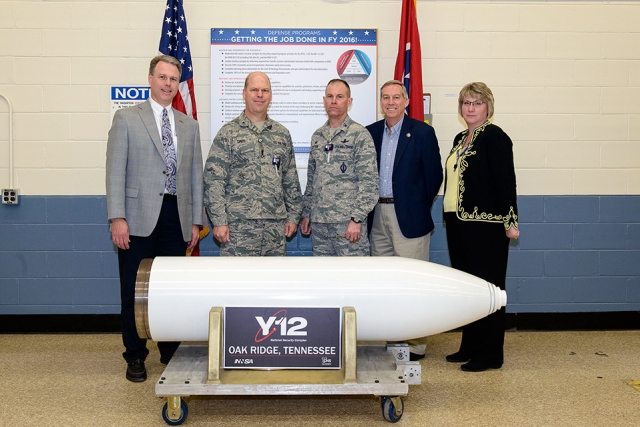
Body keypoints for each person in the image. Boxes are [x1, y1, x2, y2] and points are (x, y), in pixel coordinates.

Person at [106, 55, 203, 382]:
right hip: (136, 218)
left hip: (176, 216)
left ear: (178, 84)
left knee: (170, 289)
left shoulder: (188, 125)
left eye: (173, 79)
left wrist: (195, 221)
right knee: (133, 291)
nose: (167, 84)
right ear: (150, 79)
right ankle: (135, 355)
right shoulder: (127, 119)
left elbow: (195, 176)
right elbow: (114, 171)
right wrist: (117, 217)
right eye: (162, 77)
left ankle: (170, 350)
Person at [443, 82, 520, 372]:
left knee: (488, 289)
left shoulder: (494, 136)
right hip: (457, 222)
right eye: (466, 103)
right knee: (468, 290)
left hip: (485, 225)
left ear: (488, 106)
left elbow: (505, 182)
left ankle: (490, 354)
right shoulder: (460, 137)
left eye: (477, 103)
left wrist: (510, 222)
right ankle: (470, 346)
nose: (470, 108)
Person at [366, 80, 443, 361]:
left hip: (408, 217)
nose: (390, 102)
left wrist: (416, 206)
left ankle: (415, 344)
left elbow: (434, 176)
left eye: (396, 97)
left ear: (406, 101)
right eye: (385, 97)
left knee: (412, 282)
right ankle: (392, 337)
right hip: (377, 216)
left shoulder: (422, 132)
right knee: (384, 282)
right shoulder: (371, 132)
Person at [204, 71, 302, 256]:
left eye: (265, 90)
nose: (259, 95)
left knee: (273, 283)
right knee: (237, 283)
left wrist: (293, 216)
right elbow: (213, 180)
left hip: (275, 229)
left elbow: (290, 180)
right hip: (237, 229)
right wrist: (219, 221)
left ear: (270, 96)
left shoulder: (282, 134)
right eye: (254, 90)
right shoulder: (228, 133)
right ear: (244, 93)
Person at [300, 79, 379, 256]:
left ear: (349, 102)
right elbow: (312, 180)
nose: (334, 101)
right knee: (323, 278)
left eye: (339, 96)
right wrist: (307, 214)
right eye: (330, 96)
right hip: (320, 225)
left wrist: (356, 219)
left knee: (353, 278)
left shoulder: (359, 135)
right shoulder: (318, 136)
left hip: (347, 224)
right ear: (324, 100)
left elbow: (370, 183)